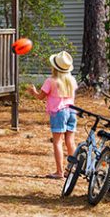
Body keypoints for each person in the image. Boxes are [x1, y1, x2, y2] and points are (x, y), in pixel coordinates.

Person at [26, 51, 77, 179]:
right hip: (72, 111)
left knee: (57, 142)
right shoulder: (71, 80)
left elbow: (40, 97)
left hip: (59, 112)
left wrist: (33, 92)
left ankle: (59, 172)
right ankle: (73, 168)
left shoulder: (51, 81)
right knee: (70, 141)